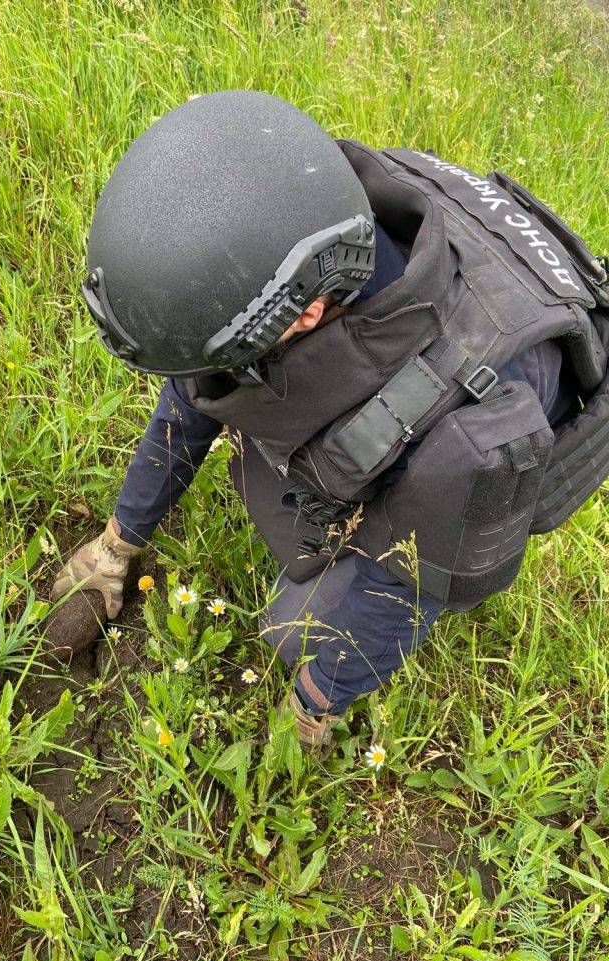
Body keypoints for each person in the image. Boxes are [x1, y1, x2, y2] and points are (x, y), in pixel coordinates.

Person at [52, 90, 609, 755]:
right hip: (411, 364)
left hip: (473, 441)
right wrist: (116, 545)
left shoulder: (468, 427)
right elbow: (195, 397)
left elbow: (409, 589)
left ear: (308, 315)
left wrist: (318, 698)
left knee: (296, 632)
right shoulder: (301, 235)